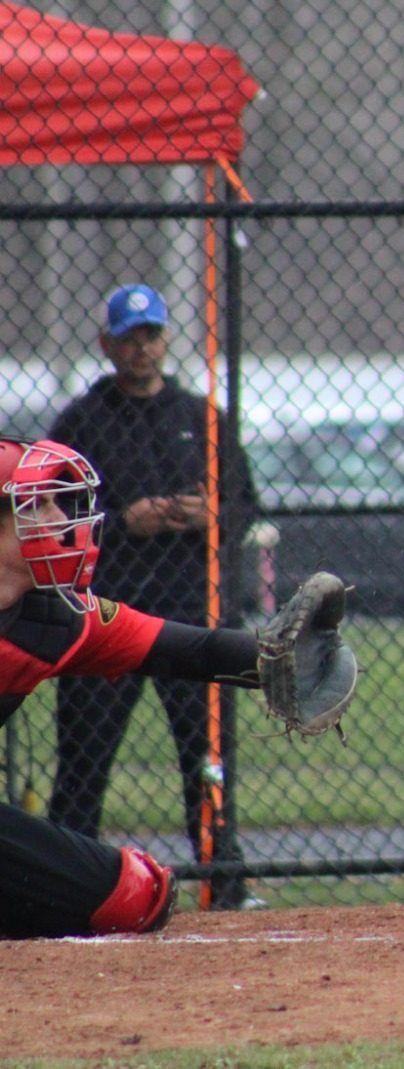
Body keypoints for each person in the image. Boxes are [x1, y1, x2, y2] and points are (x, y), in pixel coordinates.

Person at [0, 437, 268, 937]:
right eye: (37, 506)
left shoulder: (54, 622)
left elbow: (187, 649)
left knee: (137, 895)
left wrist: (277, 660)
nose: (62, 517)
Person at [45, 285, 260, 908]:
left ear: (166, 341)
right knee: (84, 756)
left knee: (206, 754)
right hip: (104, 612)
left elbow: (246, 505)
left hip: (189, 608)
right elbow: (47, 519)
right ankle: (61, 885)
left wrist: (207, 514)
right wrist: (119, 521)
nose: (143, 348)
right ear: (107, 344)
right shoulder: (81, 422)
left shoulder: (202, 417)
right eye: (130, 337)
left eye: (152, 336)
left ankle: (225, 884)